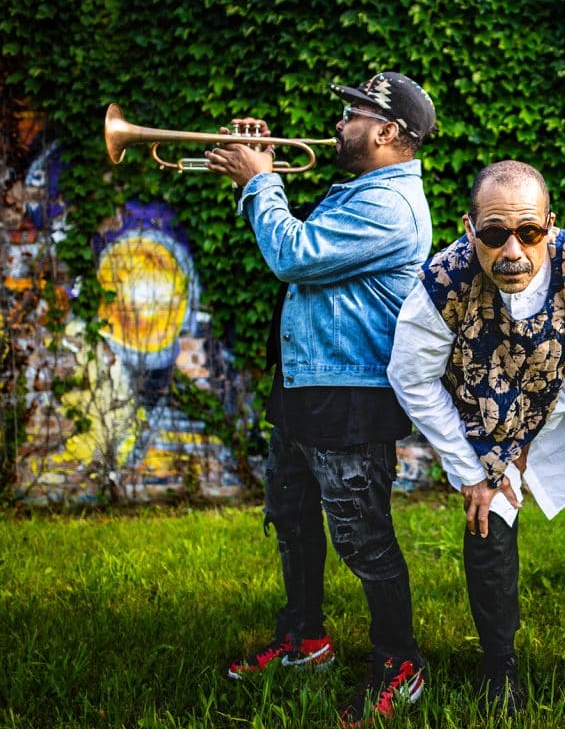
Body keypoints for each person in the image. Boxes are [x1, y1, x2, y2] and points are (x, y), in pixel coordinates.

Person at [205, 71, 436, 726]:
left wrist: (260, 181)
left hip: (351, 400)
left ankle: (401, 662)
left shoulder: (389, 207)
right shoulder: (359, 192)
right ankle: (303, 639)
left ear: (389, 132)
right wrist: (257, 174)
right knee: (295, 526)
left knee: (364, 542)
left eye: (353, 114)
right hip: (306, 389)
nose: (339, 123)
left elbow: (294, 255)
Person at [386, 159, 565, 714]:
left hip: (562, 396)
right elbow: (410, 375)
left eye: (529, 233)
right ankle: (499, 663)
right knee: (488, 518)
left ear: (549, 226)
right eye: (493, 233)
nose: (512, 251)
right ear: (469, 228)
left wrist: (542, 422)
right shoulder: (442, 283)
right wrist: (471, 467)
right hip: (480, 416)